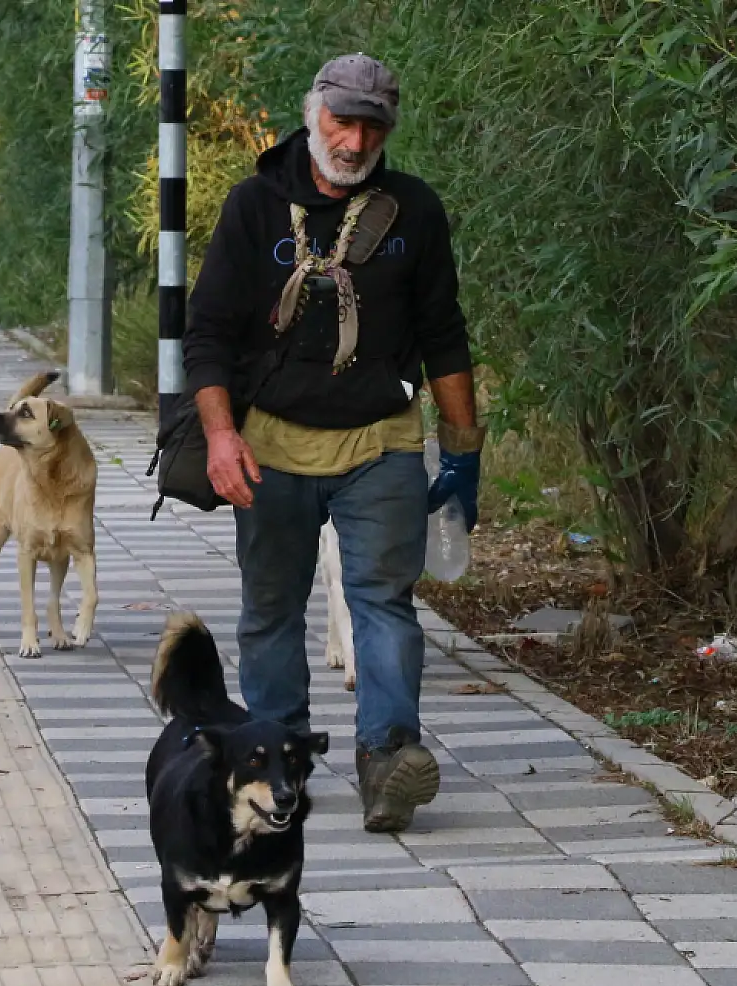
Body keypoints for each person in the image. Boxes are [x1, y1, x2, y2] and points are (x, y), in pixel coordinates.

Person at [182, 53, 483, 834]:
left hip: (381, 442)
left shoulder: (414, 211)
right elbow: (207, 334)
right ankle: (277, 760)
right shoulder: (253, 206)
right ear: (313, 113)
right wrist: (220, 437)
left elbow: (444, 334)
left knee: (383, 601)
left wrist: (463, 451)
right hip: (270, 446)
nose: (354, 142)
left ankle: (388, 758)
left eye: (372, 128)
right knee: (271, 609)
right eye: (342, 122)